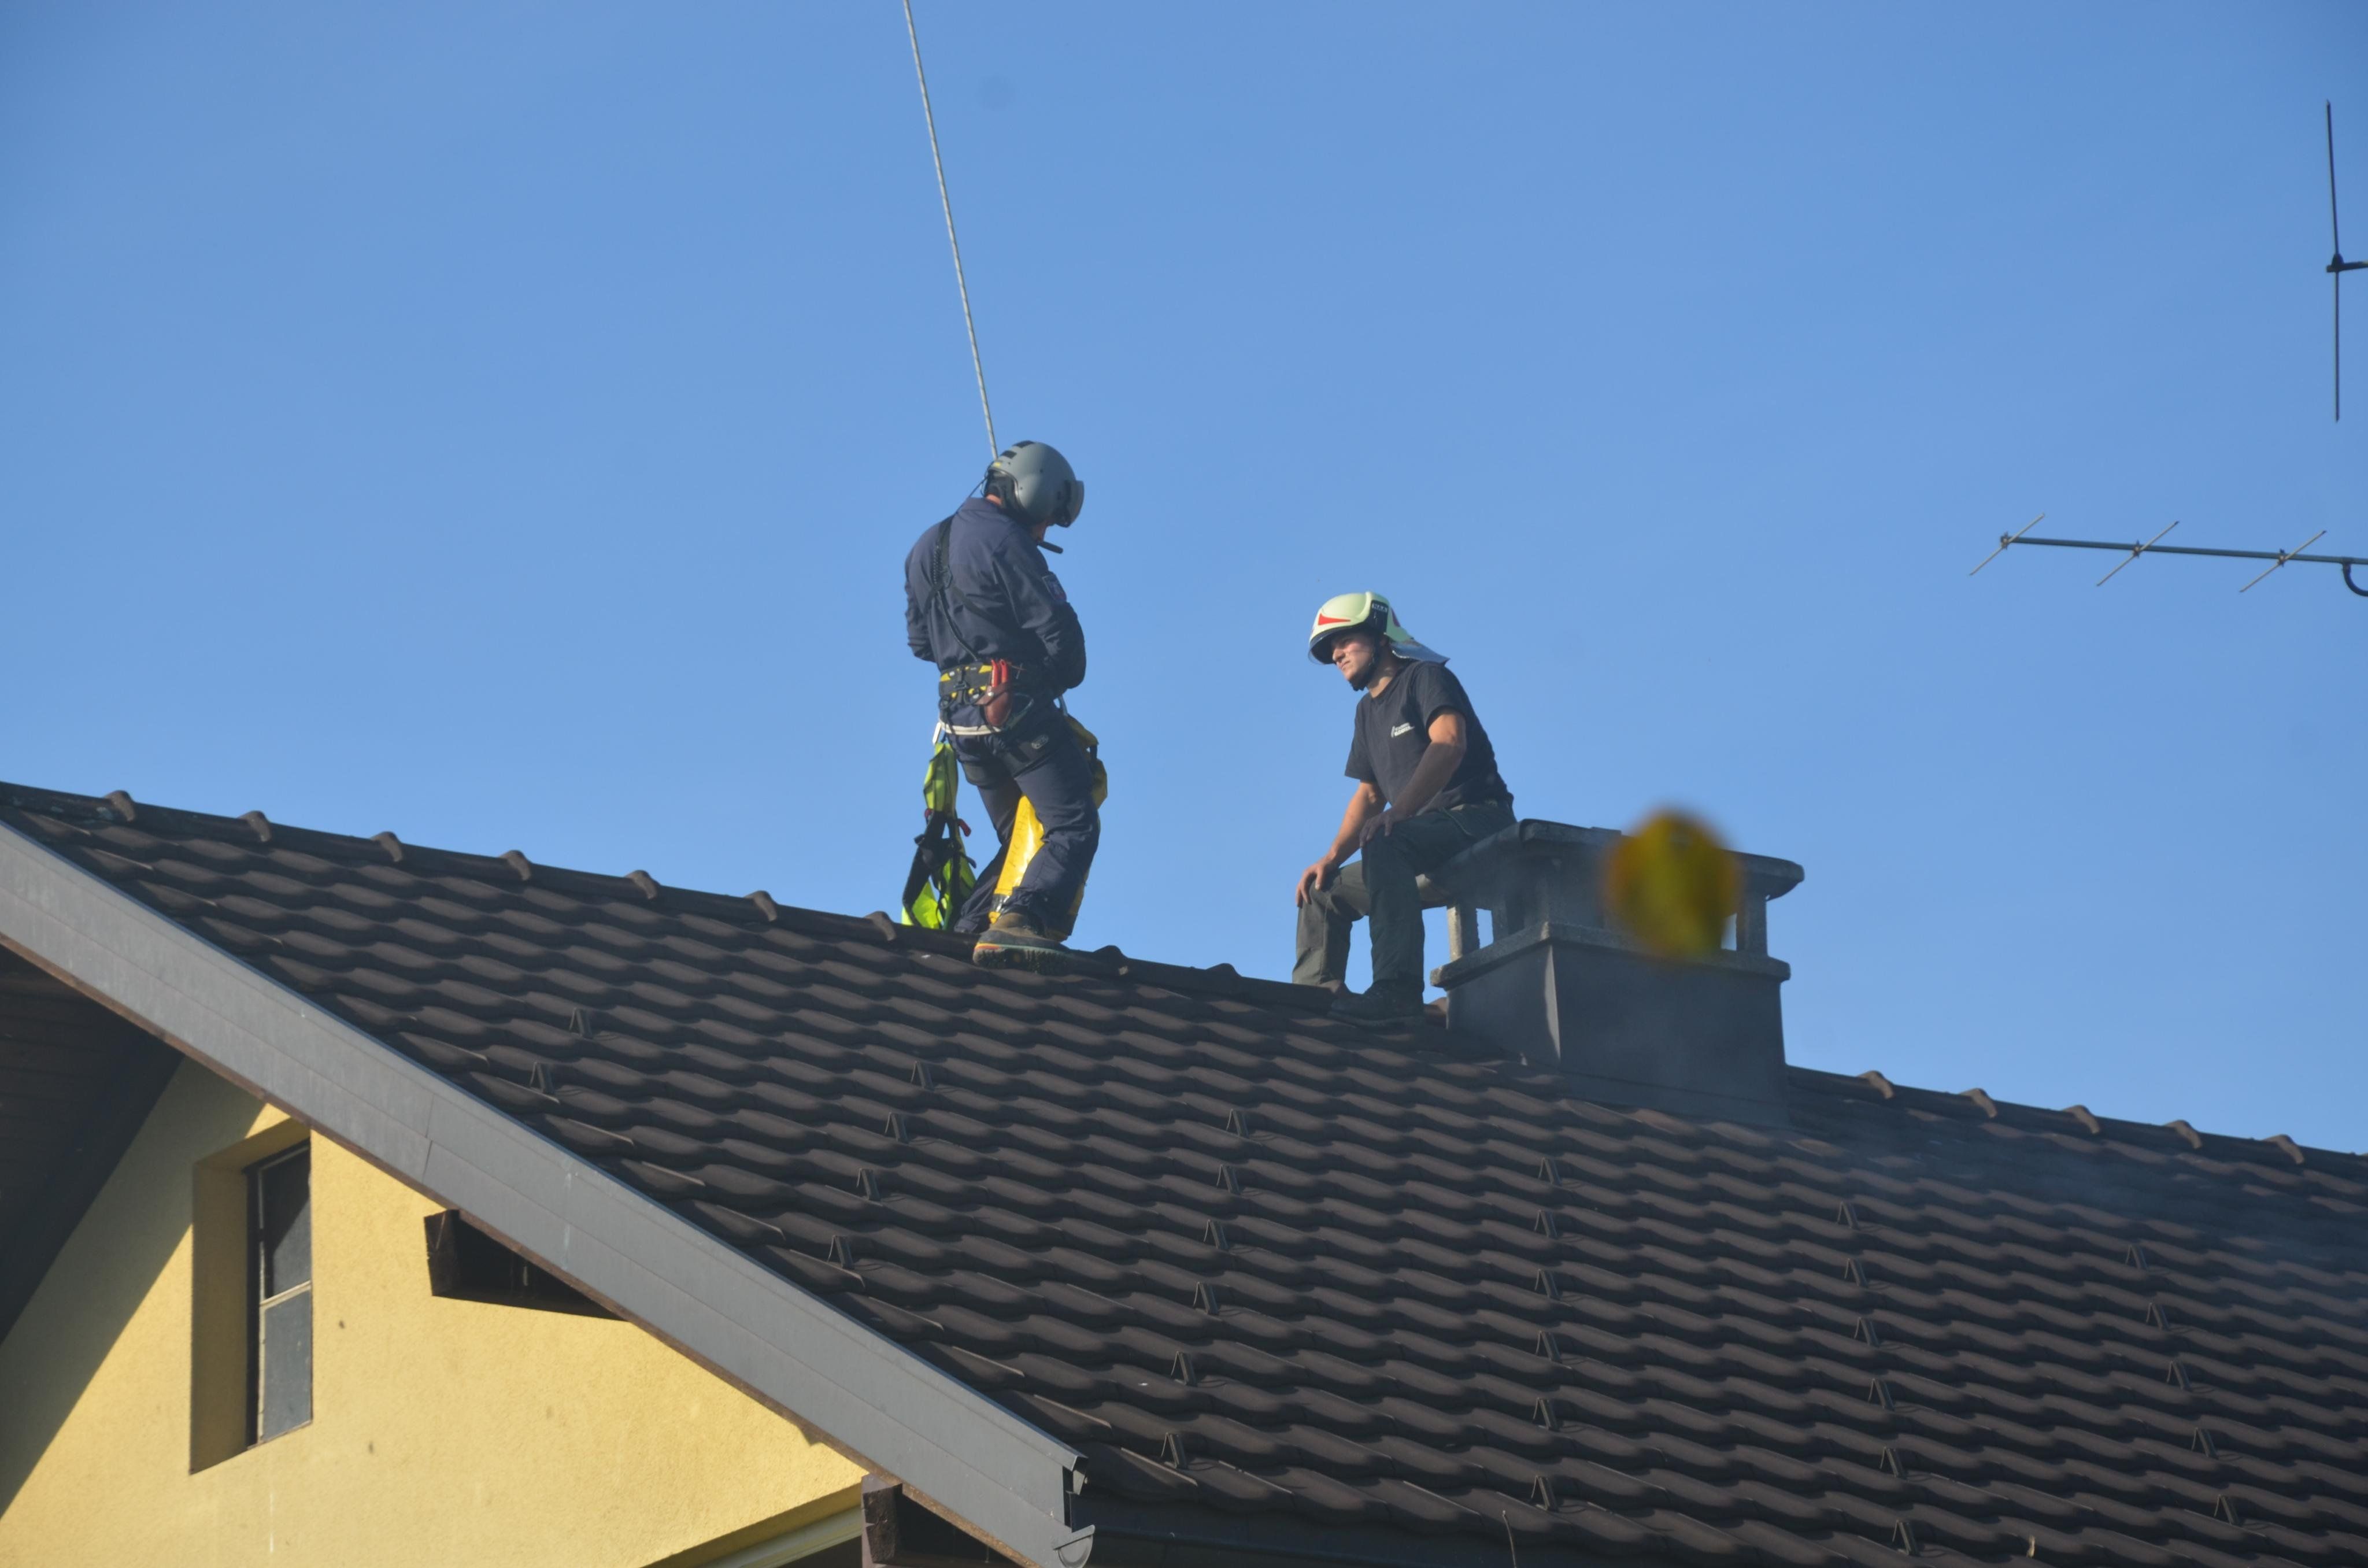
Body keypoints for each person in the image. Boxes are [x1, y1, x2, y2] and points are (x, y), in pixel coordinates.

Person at [904, 441, 1098, 970]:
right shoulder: (1008, 543)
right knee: (1073, 823)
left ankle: (970, 931)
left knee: (1018, 839)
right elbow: (1061, 638)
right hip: (1015, 712)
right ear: (1034, 494)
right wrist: (1044, 676)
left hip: (959, 721)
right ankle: (1023, 921)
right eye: (1049, 518)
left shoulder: (925, 545)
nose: (1046, 529)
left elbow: (921, 644)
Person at [1295, 593, 1515, 1022]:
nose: (1336, 654)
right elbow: (1370, 795)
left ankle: (1396, 991)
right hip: (1419, 845)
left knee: (1386, 841)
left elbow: (1449, 742)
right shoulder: (1366, 712)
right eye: (1330, 649)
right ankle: (1311, 1004)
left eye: (1344, 640)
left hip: (1477, 821)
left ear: (1380, 636)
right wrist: (1331, 858)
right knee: (1322, 890)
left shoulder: (1426, 678)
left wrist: (1401, 813)